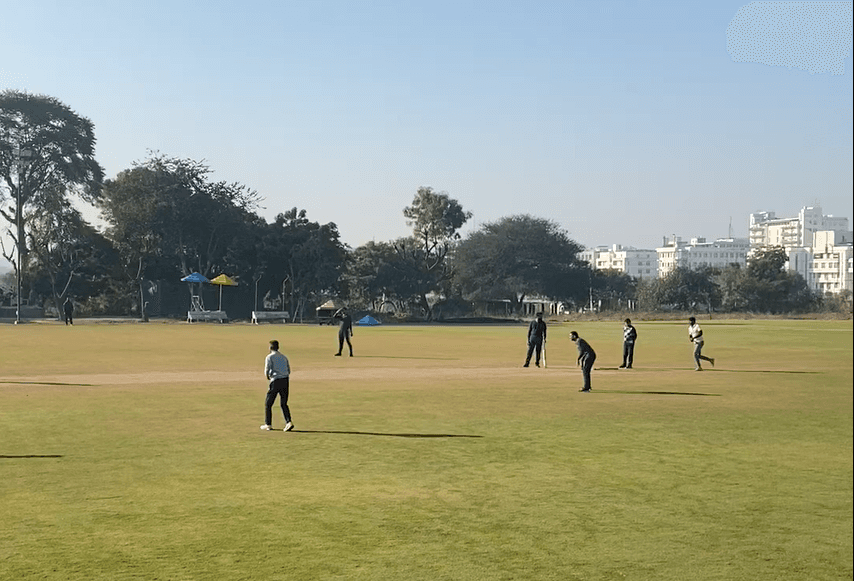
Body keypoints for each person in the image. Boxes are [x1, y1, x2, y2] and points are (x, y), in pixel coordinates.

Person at [261, 340, 294, 432]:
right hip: (285, 380)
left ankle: (268, 424)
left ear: (270, 348)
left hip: (276, 381)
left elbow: (267, 369)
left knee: (268, 403)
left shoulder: (269, 357)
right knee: (283, 403)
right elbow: (288, 370)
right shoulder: (284, 357)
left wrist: (268, 377)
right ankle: (288, 422)